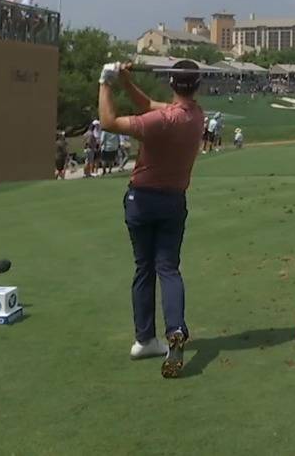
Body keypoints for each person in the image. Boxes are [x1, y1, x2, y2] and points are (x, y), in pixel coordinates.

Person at [98, 60, 205, 378]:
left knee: (143, 269)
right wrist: (126, 81)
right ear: (196, 86)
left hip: (142, 200)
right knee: (168, 269)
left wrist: (105, 82)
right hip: (174, 200)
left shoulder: (159, 121)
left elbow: (108, 121)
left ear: (172, 84)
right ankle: (175, 329)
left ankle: (145, 338)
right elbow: (146, 104)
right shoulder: (196, 117)